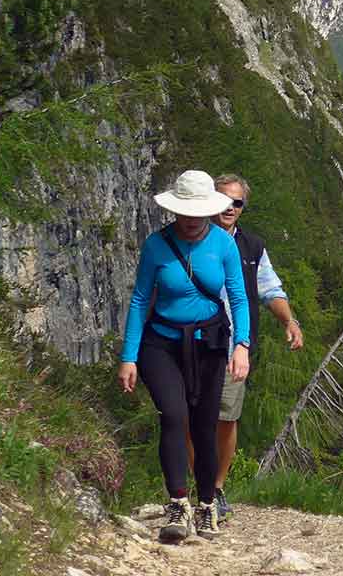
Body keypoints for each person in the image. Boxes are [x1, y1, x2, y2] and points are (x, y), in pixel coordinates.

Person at [117, 170, 250, 542]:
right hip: (161, 344)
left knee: (204, 424)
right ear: (174, 211)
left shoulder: (224, 245)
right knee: (174, 417)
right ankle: (177, 502)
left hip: (209, 343)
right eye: (185, 212)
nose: (191, 220)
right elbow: (141, 298)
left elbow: (238, 298)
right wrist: (129, 356)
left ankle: (207, 504)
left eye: (198, 213)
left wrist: (242, 344)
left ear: (210, 211)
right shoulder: (156, 246)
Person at [206, 173, 303, 523]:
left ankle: (215, 488)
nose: (230, 207)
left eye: (237, 202)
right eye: (224, 200)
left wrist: (289, 321)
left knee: (225, 419)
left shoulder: (252, 247)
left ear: (243, 207)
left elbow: (269, 289)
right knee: (186, 418)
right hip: (191, 342)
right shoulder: (193, 237)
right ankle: (197, 487)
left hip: (235, 347)